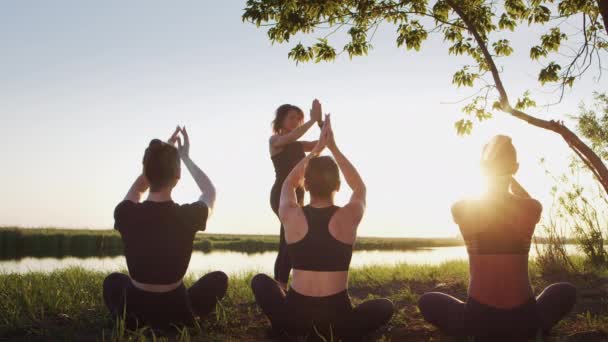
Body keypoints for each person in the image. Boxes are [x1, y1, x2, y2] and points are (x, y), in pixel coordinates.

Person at [418, 135, 576, 340]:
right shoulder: (532, 208)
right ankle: (536, 330)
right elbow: (526, 199)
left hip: (479, 319)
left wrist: (490, 172)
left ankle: (471, 334)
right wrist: (509, 175)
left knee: (428, 301)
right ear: (515, 168)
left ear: (482, 168)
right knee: (565, 290)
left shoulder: (462, 208)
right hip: (524, 319)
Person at [253, 115, 394, 341]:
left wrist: (316, 150)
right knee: (385, 306)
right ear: (338, 185)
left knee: (260, 281)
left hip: (295, 315)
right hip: (337, 319)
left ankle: (287, 328)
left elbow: (288, 183)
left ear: (306, 185)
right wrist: (333, 148)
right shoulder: (349, 216)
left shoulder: (291, 214)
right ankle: (340, 333)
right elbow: (359, 186)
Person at [103, 126, 228, 331]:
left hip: (135, 304)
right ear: (177, 174)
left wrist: (158, 156)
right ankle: (183, 319)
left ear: (146, 172)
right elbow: (209, 191)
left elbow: (137, 189)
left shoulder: (124, 212)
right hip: (176, 307)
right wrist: (184, 157)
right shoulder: (189, 215)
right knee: (218, 279)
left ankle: (129, 319)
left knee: (113, 281)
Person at [269, 100, 323, 290]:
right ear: (281, 120)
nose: (296, 121)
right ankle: (281, 285)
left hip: (300, 195)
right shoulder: (275, 141)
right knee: (289, 238)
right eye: (292, 117)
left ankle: (284, 284)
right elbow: (294, 135)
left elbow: (322, 144)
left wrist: (321, 123)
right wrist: (312, 119)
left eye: (298, 118)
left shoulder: (300, 145)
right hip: (282, 194)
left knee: (291, 237)